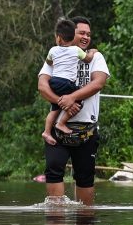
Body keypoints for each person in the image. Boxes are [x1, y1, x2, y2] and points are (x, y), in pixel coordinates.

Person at [38, 16, 109, 205]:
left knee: (85, 176)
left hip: (86, 129)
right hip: (58, 128)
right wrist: (63, 102)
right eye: (81, 33)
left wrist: (73, 97)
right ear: (70, 35)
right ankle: (56, 221)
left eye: (89, 34)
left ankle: (85, 221)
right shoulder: (56, 53)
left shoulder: (96, 57)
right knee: (53, 170)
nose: (86, 37)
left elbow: (98, 83)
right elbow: (42, 86)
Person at [42, 17, 98, 145]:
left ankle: (46, 131)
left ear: (58, 38)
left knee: (54, 109)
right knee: (79, 97)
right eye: (82, 33)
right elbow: (88, 59)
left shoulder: (52, 50)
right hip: (67, 83)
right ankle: (61, 123)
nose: (86, 37)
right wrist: (92, 51)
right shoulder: (76, 50)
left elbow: (49, 62)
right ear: (73, 38)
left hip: (54, 82)